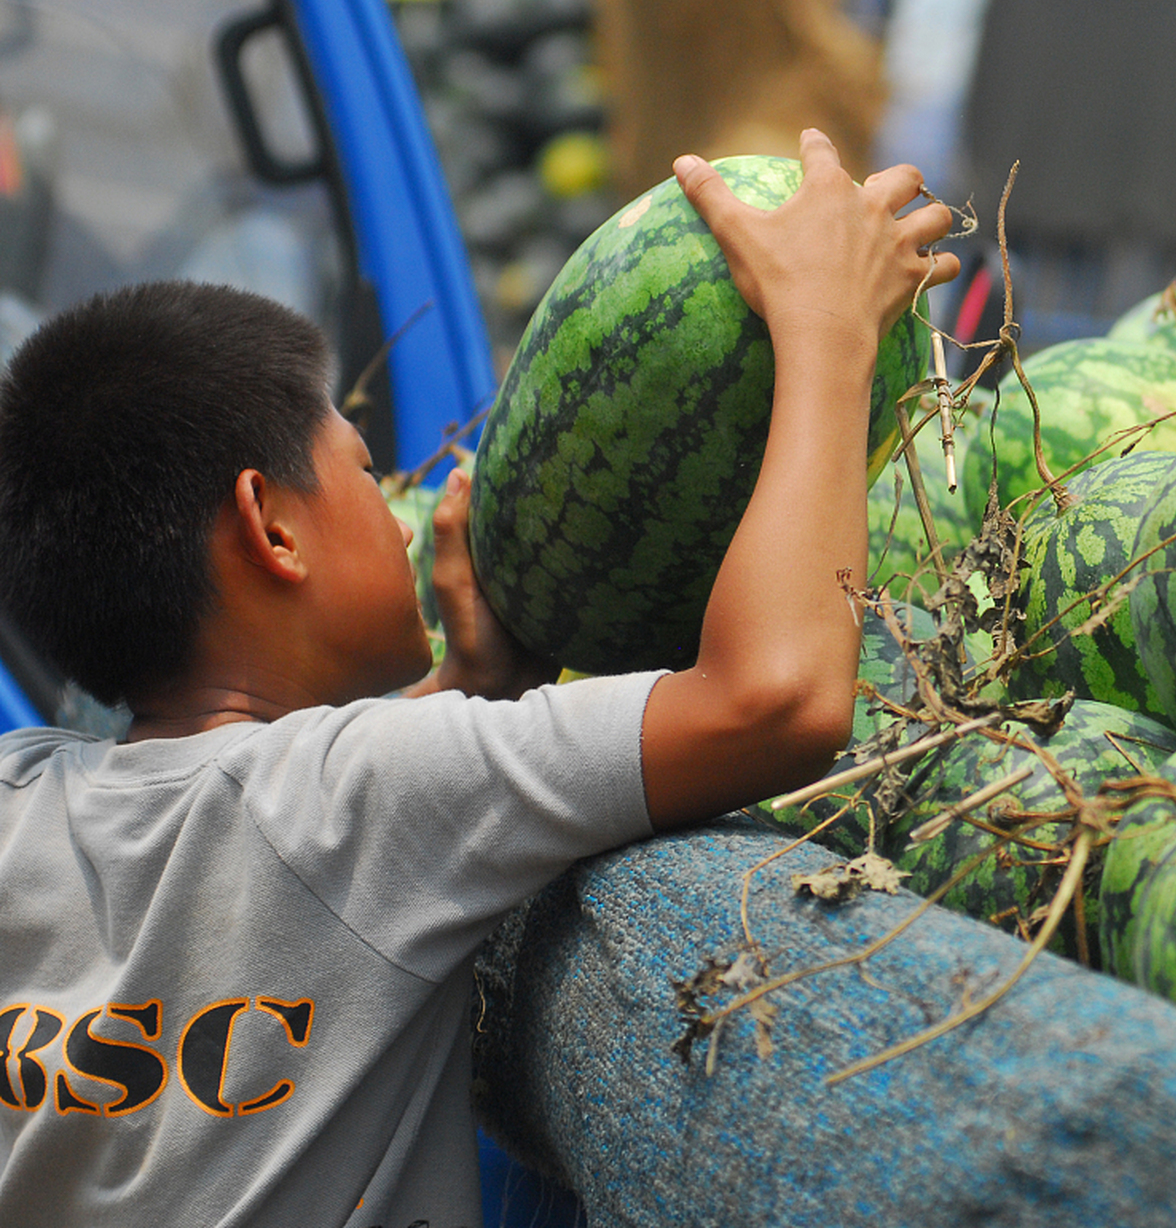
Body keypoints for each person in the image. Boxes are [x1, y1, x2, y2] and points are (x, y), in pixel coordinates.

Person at [0, 130, 958, 1227]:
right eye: (364, 470)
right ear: (272, 526)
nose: (396, 497)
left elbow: (231, 816)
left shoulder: (23, 798)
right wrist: (825, 335)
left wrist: (471, 682)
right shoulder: (370, 796)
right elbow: (777, 697)